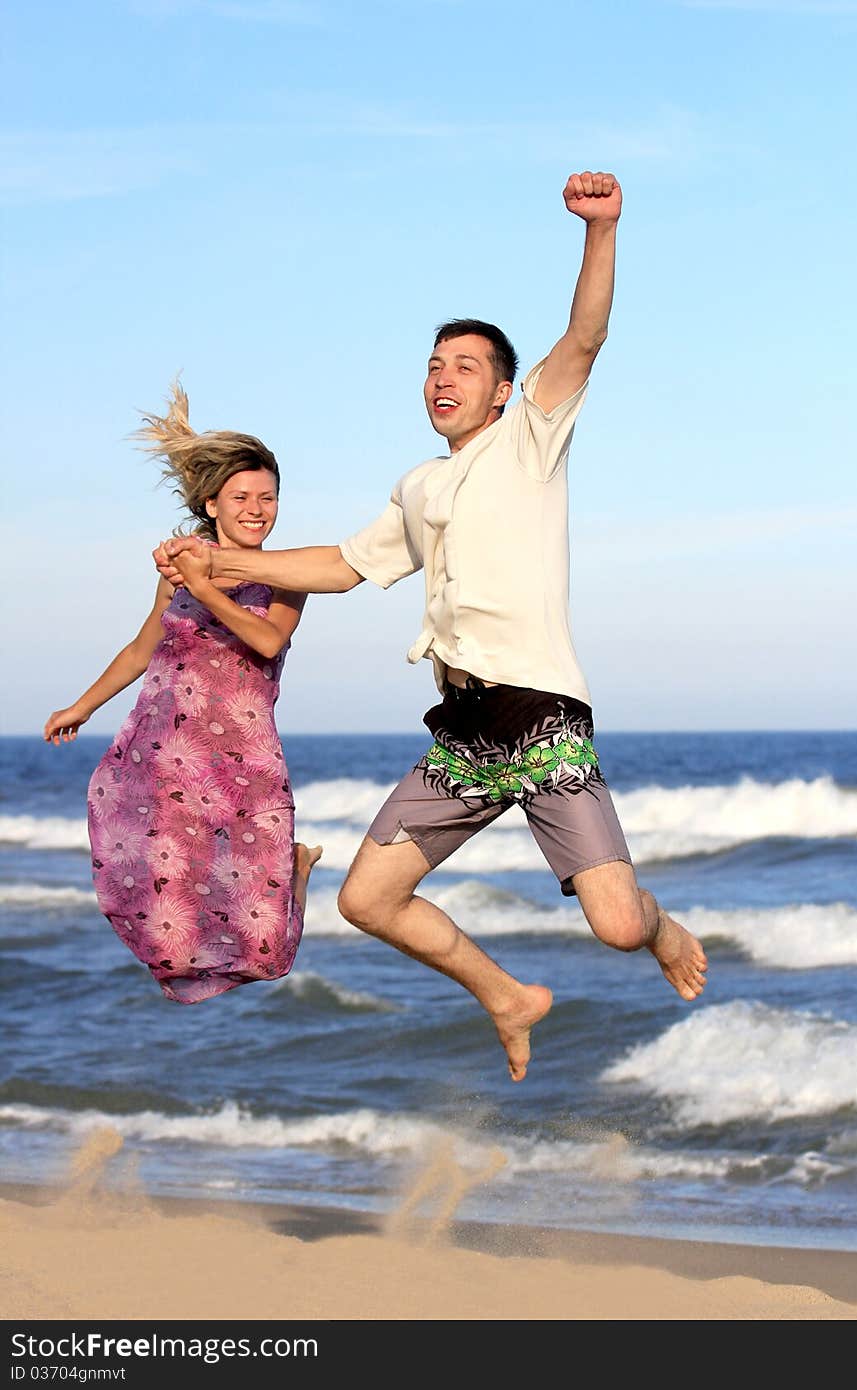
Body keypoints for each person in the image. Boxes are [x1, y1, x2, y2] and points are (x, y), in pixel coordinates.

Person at [154, 170, 707, 1072]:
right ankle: (507, 995)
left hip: (540, 717)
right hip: (465, 732)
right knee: (367, 898)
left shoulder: (530, 439)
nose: (444, 378)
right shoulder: (419, 485)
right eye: (434, 364)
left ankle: (661, 926)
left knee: (613, 924)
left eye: (465, 367)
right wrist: (218, 560)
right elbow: (340, 564)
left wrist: (600, 231)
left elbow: (587, 335)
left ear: (500, 392)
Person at [45, 385, 322, 1003]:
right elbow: (142, 649)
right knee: (171, 936)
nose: (257, 510)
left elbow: (266, 643)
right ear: (211, 504)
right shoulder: (178, 572)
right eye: (242, 497)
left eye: (268, 498)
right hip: (167, 761)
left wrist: (210, 584)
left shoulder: (286, 575)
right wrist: (82, 706)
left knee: (266, 952)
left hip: (244, 765)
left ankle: (297, 871)